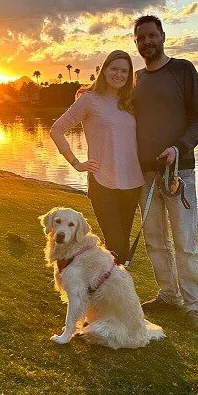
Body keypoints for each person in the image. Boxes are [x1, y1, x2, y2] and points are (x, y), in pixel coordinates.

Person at [132, 15, 198, 331]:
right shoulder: (135, 79)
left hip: (179, 173)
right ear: (136, 42)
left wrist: (179, 148)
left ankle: (194, 306)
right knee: (154, 241)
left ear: (162, 36)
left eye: (152, 35)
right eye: (141, 38)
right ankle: (168, 295)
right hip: (145, 175)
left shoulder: (183, 70)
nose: (147, 42)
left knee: (185, 242)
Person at [49, 50, 144, 265]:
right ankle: (107, 289)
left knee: (122, 246)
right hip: (102, 183)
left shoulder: (129, 102)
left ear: (129, 76)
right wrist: (76, 163)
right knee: (116, 245)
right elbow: (57, 129)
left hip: (131, 183)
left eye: (124, 71)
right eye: (114, 69)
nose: (119, 74)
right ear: (104, 70)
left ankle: (112, 291)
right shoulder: (89, 100)